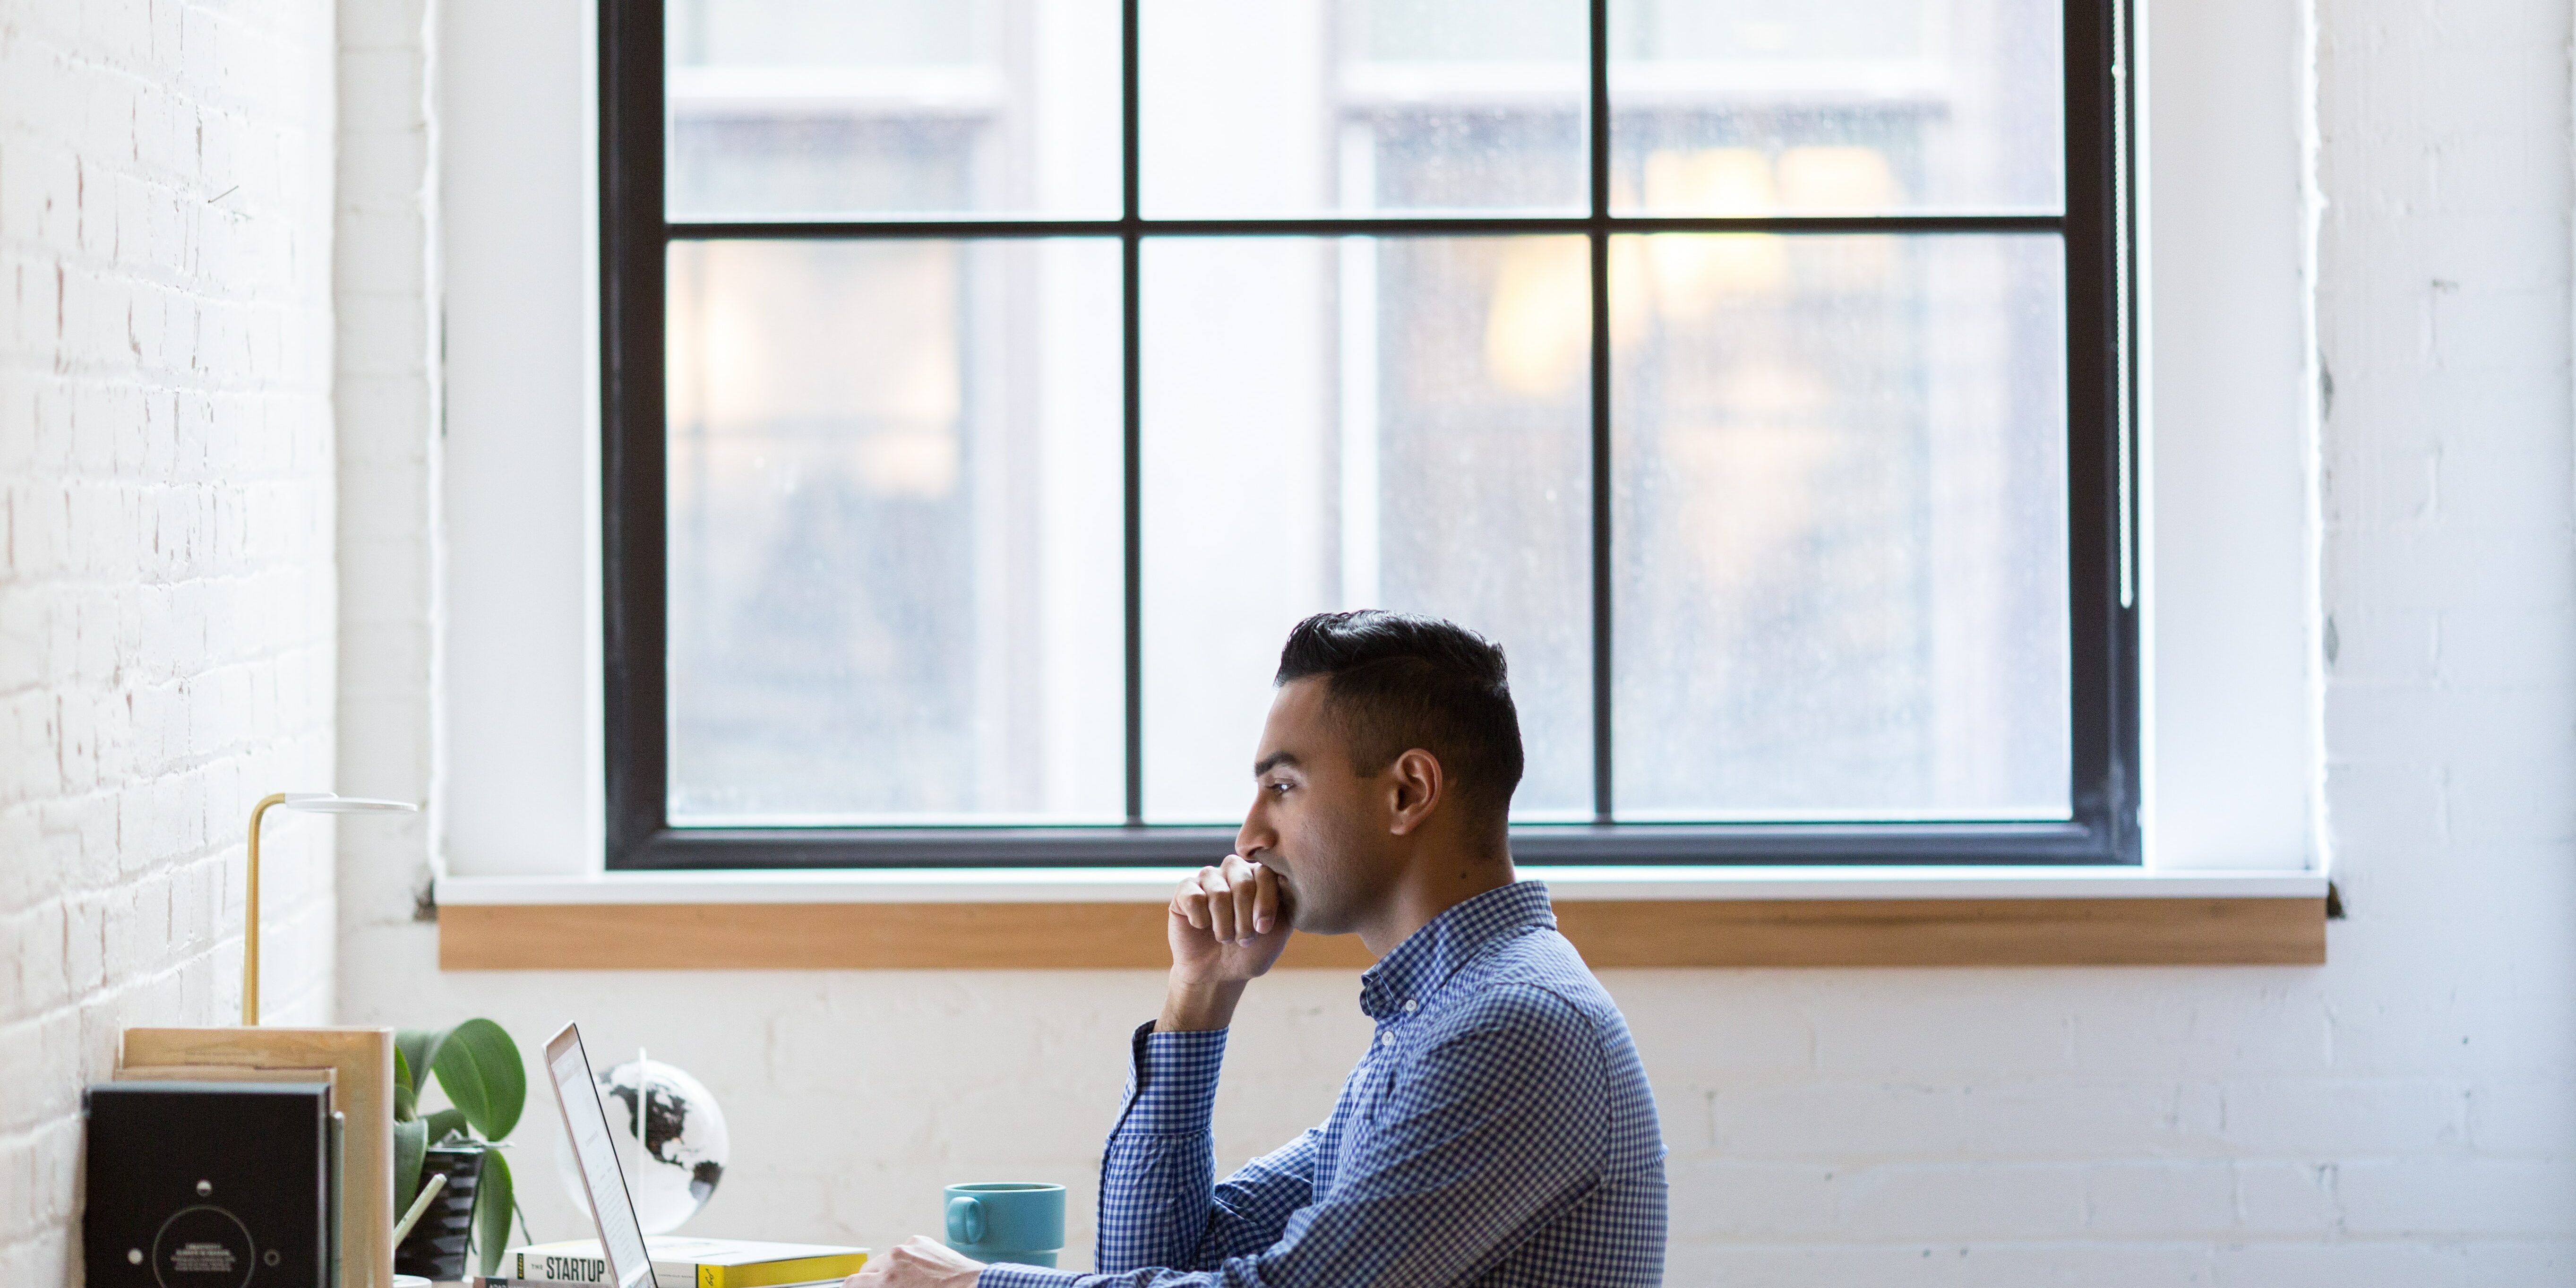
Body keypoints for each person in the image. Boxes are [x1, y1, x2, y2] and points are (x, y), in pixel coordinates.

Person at [852, 611, 1667, 1288]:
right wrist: (1200, 991)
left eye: (1282, 786)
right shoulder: (1436, 1025)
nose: (1249, 835)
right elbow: (1156, 1261)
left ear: (1407, 792)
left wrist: (969, 1285)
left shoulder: (1513, 1029)